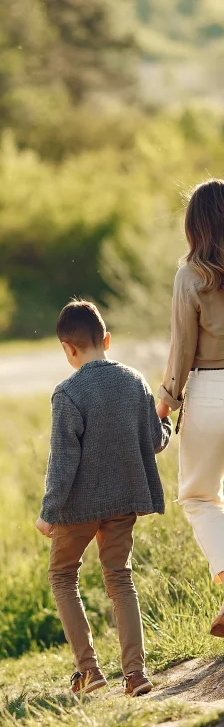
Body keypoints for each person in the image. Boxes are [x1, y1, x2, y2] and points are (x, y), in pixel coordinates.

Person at [36, 300, 172, 698]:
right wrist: (165, 421)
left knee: (63, 576)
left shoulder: (68, 392)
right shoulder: (135, 381)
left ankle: (90, 672)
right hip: (124, 502)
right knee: (120, 579)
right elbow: (153, 442)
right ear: (106, 340)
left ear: (68, 349)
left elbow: (63, 462)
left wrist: (48, 512)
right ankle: (136, 675)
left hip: (77, 507)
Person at [157, 179, 224, 637]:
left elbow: (183, 348)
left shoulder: (191, 275)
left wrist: (165, 401)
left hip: (209, 393)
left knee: (199, 497)